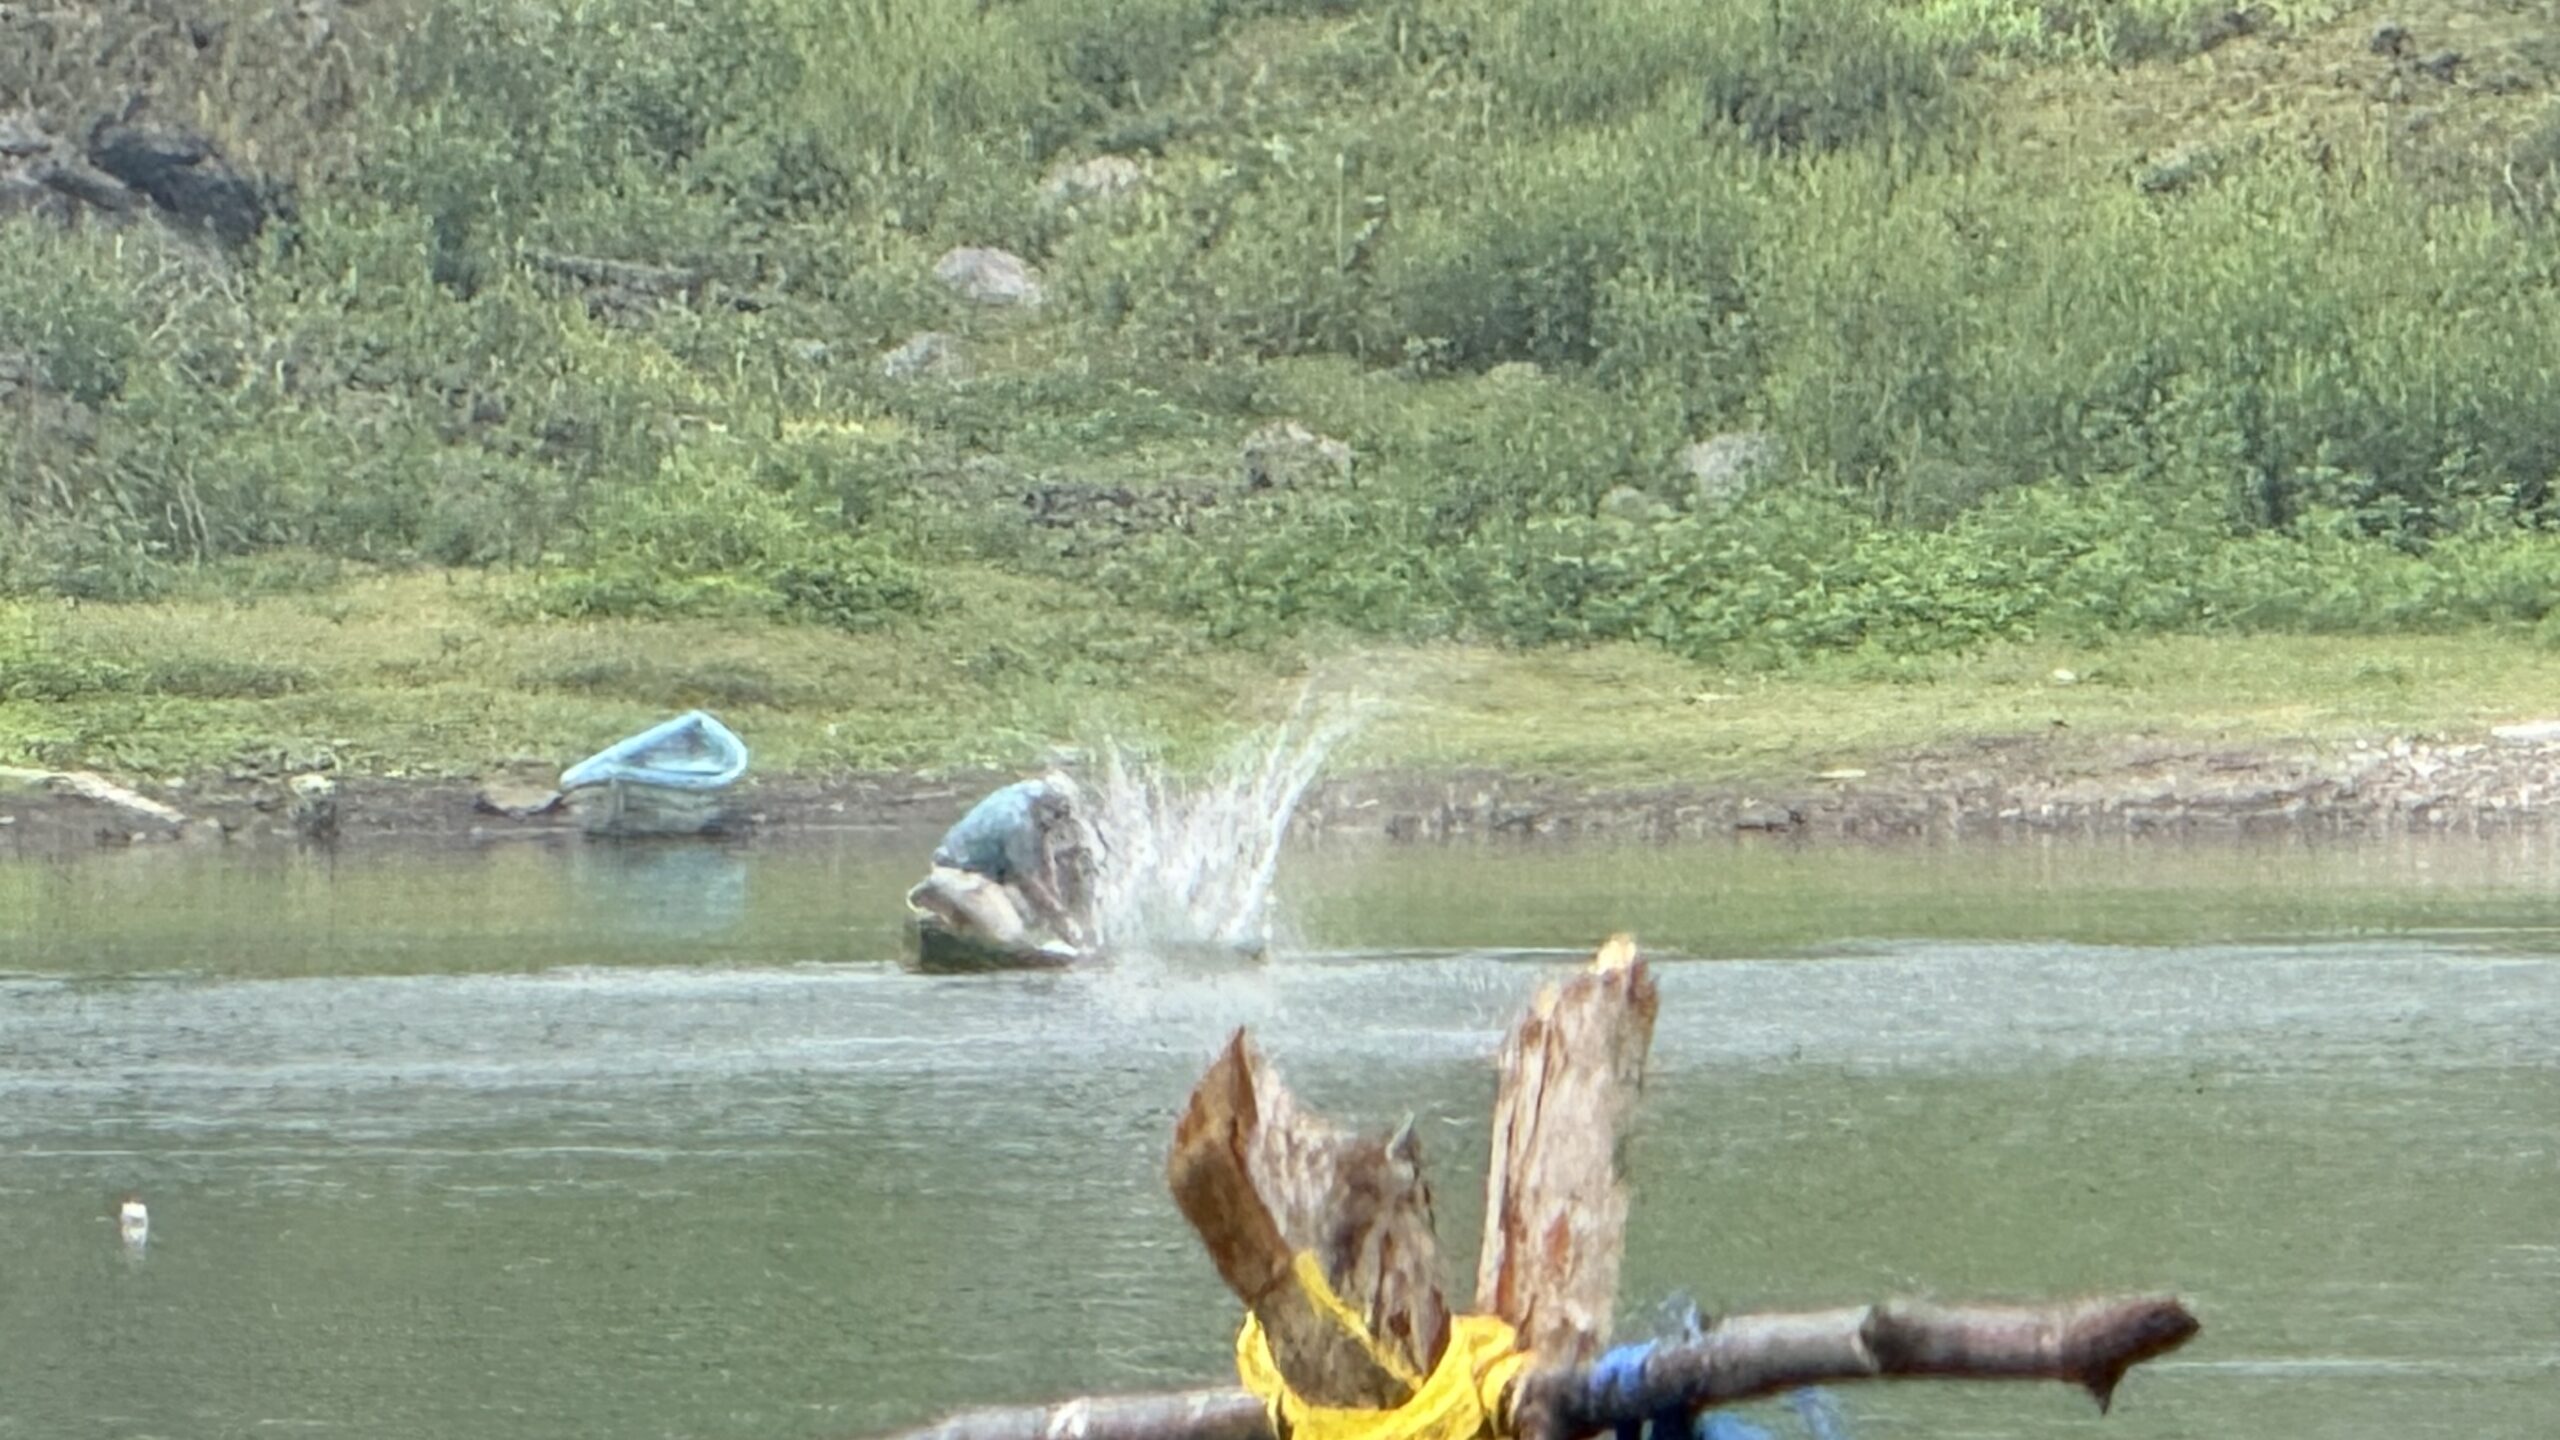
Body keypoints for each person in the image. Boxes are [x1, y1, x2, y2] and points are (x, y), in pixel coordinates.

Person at [921, 772, 1096, 949]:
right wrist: (1060, 916)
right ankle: (943, 912)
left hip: (983, 867)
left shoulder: (1028, 794)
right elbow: (1027, 880)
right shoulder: (1017, 823)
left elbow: (1044, 858)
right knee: (1010, 934)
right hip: (961, 874)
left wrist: (1055, 902)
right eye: (1061, 814)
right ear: (1052, 805)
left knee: (1030, 915)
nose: (1061, 819)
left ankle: (960, 916)